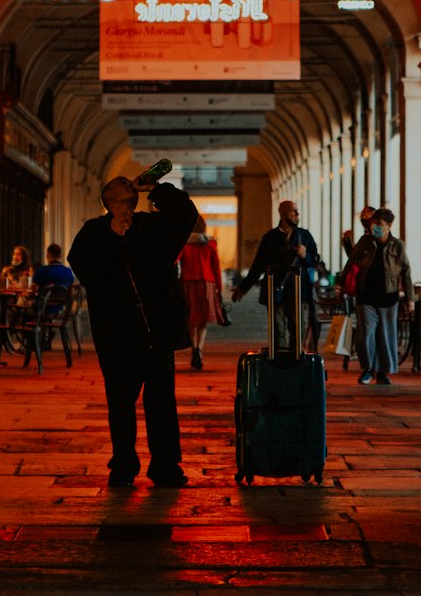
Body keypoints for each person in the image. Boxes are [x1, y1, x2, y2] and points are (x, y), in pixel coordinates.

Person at [68, 175, 198, 489]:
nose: (126, 201)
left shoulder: (151, 228)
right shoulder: (93, 233)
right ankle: (123, 466)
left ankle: (165, 467)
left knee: (162, 405)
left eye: (130, 196)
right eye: (120, 196)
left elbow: (186, 214)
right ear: (107, 202)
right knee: (121, 404)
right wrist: (112, 239)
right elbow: (88, 272)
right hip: (117, 336)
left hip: (157, 334)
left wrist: (156, 188)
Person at [231, 200, 321, 353]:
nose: (297, 215)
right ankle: (280, 361)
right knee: (277, 329)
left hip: (299, 291)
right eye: (293, 211)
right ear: (283, 213)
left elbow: (316, 261)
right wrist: (242, 288)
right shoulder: (270, 238)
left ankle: (295, 360)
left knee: (297, 328)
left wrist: (306, 256)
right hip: (275, 290)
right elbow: (258, 266)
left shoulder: (304, 236)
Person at [345, 207, 414, 386]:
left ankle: (383, 372)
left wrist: (410, 298)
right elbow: (351, 261)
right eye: (374, 223)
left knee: (385, 335)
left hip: (388, 297)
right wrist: (342, 284)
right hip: (365, 295)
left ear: (389, 225)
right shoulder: (365, 241)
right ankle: (368, 368)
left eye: (380, 224)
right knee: (366, 334)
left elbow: (406, 272)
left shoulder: (397, 245)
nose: (376, 227)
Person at [178, 217, 224, 370]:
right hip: (207, 282)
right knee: (203, 320)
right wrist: (219, 288)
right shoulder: (210, 243)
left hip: (188, 282)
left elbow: (175, 260)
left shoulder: (184, 243)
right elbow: (216, 266)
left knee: (191, 319)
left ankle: (194, 349)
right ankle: (200, 350)